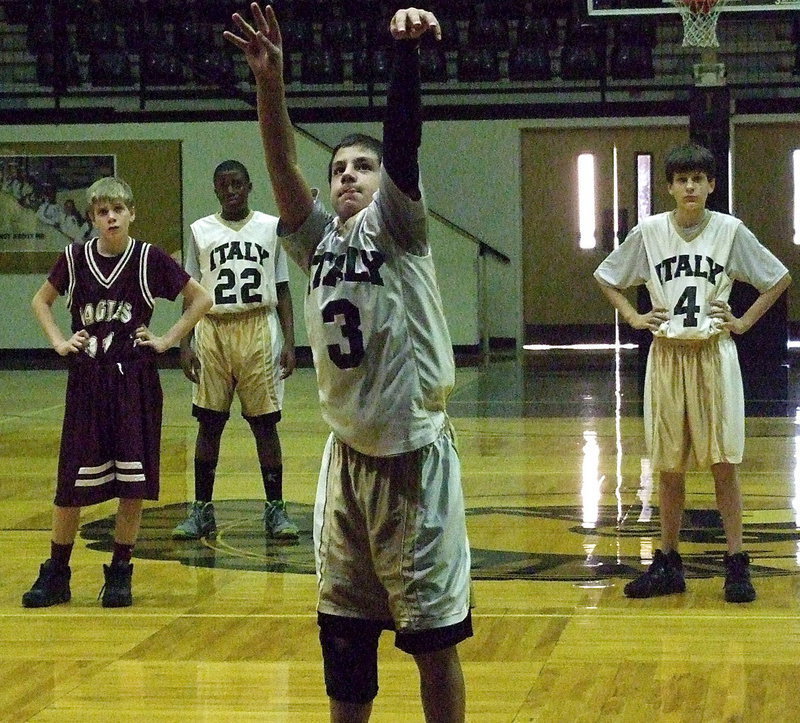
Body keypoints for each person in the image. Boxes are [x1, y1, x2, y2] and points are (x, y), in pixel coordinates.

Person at [226, 5, 472, 721]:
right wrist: (271, 86)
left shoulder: (399, 225)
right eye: (338, 168)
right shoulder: (315, 242)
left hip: (412, 458)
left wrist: (405, 57)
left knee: (432, 642)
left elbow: (404, 142)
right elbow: (280, 166)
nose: (348, 176)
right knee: (345, 639)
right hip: (346, 464)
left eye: (361, 166)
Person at [594, 142, 791, 604]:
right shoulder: (650, 232)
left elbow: (777, 278)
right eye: (682, 179)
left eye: (698, 180)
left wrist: (742, 322)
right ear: (668, 187)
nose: (689, 186)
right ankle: (668, 561)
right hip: (666, 355)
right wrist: (634, 317)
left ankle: (737, 563)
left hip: (712, 353)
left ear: (711, 186)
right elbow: (607, 277)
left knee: (724, 462)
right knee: (668, 464)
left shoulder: (729, 230)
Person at [22, 176, 212, 609]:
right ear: (91, 218)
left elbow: (201, 298)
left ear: (131, 214)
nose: (110, 217)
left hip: (134, 380)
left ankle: (121, 569)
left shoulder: (148, 258)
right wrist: (57, 341)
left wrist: (167, 340)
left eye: (118, 210)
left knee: (132, 482)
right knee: (70, 482)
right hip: (88, 381)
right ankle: (57, 572)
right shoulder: (73, 257)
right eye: (102, 211)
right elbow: (40, 301)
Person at [172, 159, 298, 541]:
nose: (231, 191)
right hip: (213, 328)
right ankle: (202, 510)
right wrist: (184, 342)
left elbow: (284, 288)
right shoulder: (200, 231)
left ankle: (276, 510)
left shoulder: (270, 227)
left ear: (249, 186)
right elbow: (190, 293)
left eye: (237, 184)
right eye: (223, 185)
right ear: (214, 189)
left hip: (258, 326)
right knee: (209, 423)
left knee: (264, 424)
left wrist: (291, 342)